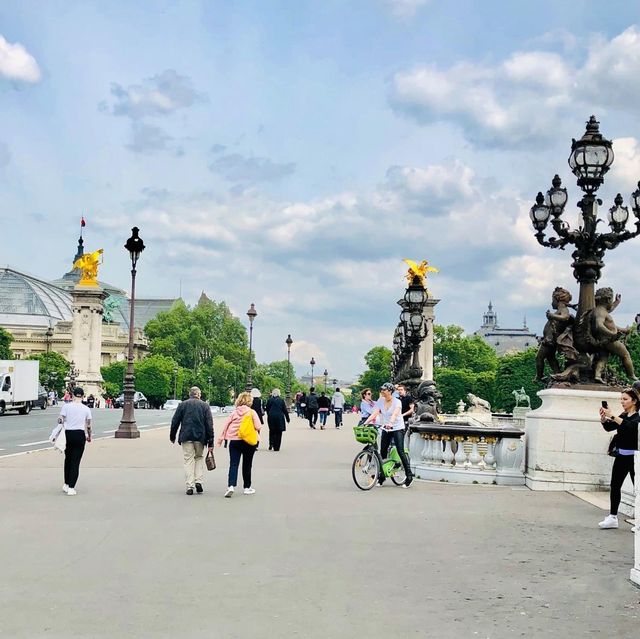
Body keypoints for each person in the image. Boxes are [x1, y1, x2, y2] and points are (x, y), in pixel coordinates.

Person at [598, 387, 639, 529]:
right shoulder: (624, 414)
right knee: (615, 486)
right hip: (621, 456)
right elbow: (610, 427)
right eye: (621, 399)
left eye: (625, 399)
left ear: (634, 401)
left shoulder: (637, 416)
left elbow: (631, 427)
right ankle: (613, 517)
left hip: (635, 459)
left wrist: (613, 415)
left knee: (638, 489)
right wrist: (604, 419)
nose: (622, 402)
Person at [363, 382, 413, 488]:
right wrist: (366, 422)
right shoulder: (381, 401)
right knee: (383, 451)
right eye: (381, 389)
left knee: (400, 450)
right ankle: (382, 477)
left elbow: (395, 414)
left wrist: (391, 423)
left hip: (397, 427)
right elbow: (375, 413)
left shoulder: (397, 402)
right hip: (386, 428)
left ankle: (409, 476)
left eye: (384, 389)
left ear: (390, 391)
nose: (382, 391)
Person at [169, 386, 214, 495]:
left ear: (190, 394)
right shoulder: (205, 406)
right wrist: (210, 441)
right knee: (198, 458)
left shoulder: (182, 405)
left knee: (188, 460)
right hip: (200, 437)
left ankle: (190, 485)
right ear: (199, 394)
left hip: (186, 435)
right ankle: (198, 481)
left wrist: (172, 435)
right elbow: (209, 424)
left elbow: (175, 421)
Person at [216, 391, 261, 497]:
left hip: (234, 441)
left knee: (234, 464)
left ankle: (231, 486)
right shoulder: (252, 412)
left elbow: (226, 425)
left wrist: (221, 439)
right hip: (248, 441)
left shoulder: (234, 413)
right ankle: (247, 487)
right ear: (250, 401)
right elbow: (258, 426)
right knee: (247, 464)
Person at [57, 386, 92, 496]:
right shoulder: (86, 409)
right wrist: (89, 436)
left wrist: (59, 426)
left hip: (68, 434)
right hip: (79, 434)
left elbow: (60, 419)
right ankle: (72, 487)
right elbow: (89, 425)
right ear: (82, 396)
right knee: (75, 461)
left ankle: (66, 483)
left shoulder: (66, 407)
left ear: (72, 396)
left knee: (68, 459)